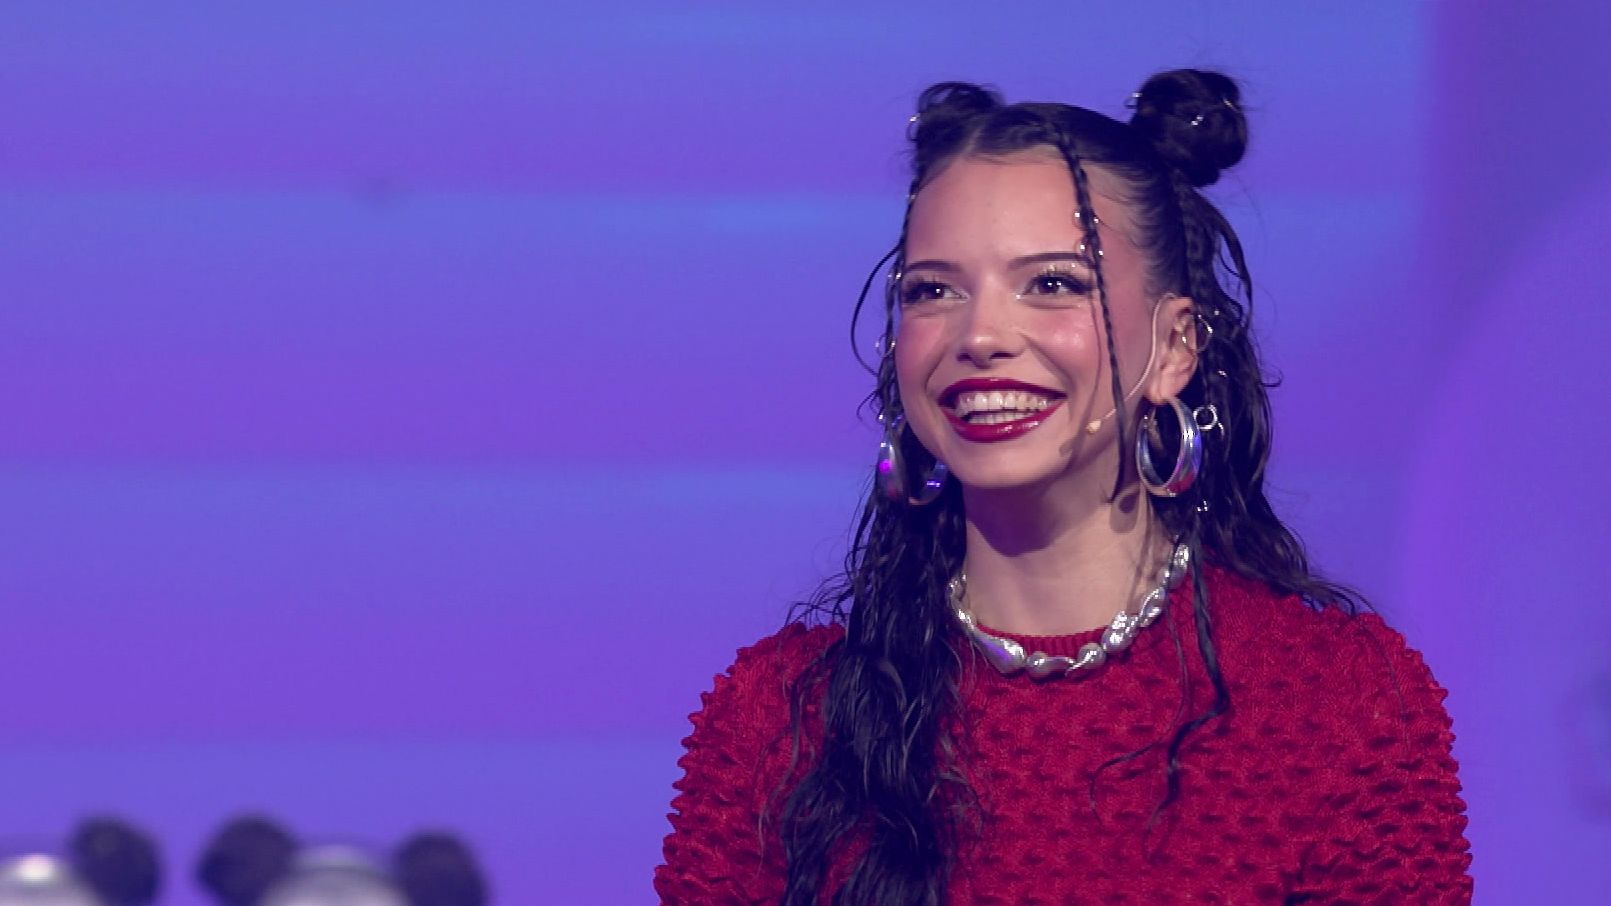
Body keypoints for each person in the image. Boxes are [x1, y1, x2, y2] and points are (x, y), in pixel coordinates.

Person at [654, 69, 1472, 905]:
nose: (979, 335)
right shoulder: (778, 721)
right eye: (932, 291)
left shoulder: (1338, 703)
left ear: (1174, 346)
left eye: (1052, 284)